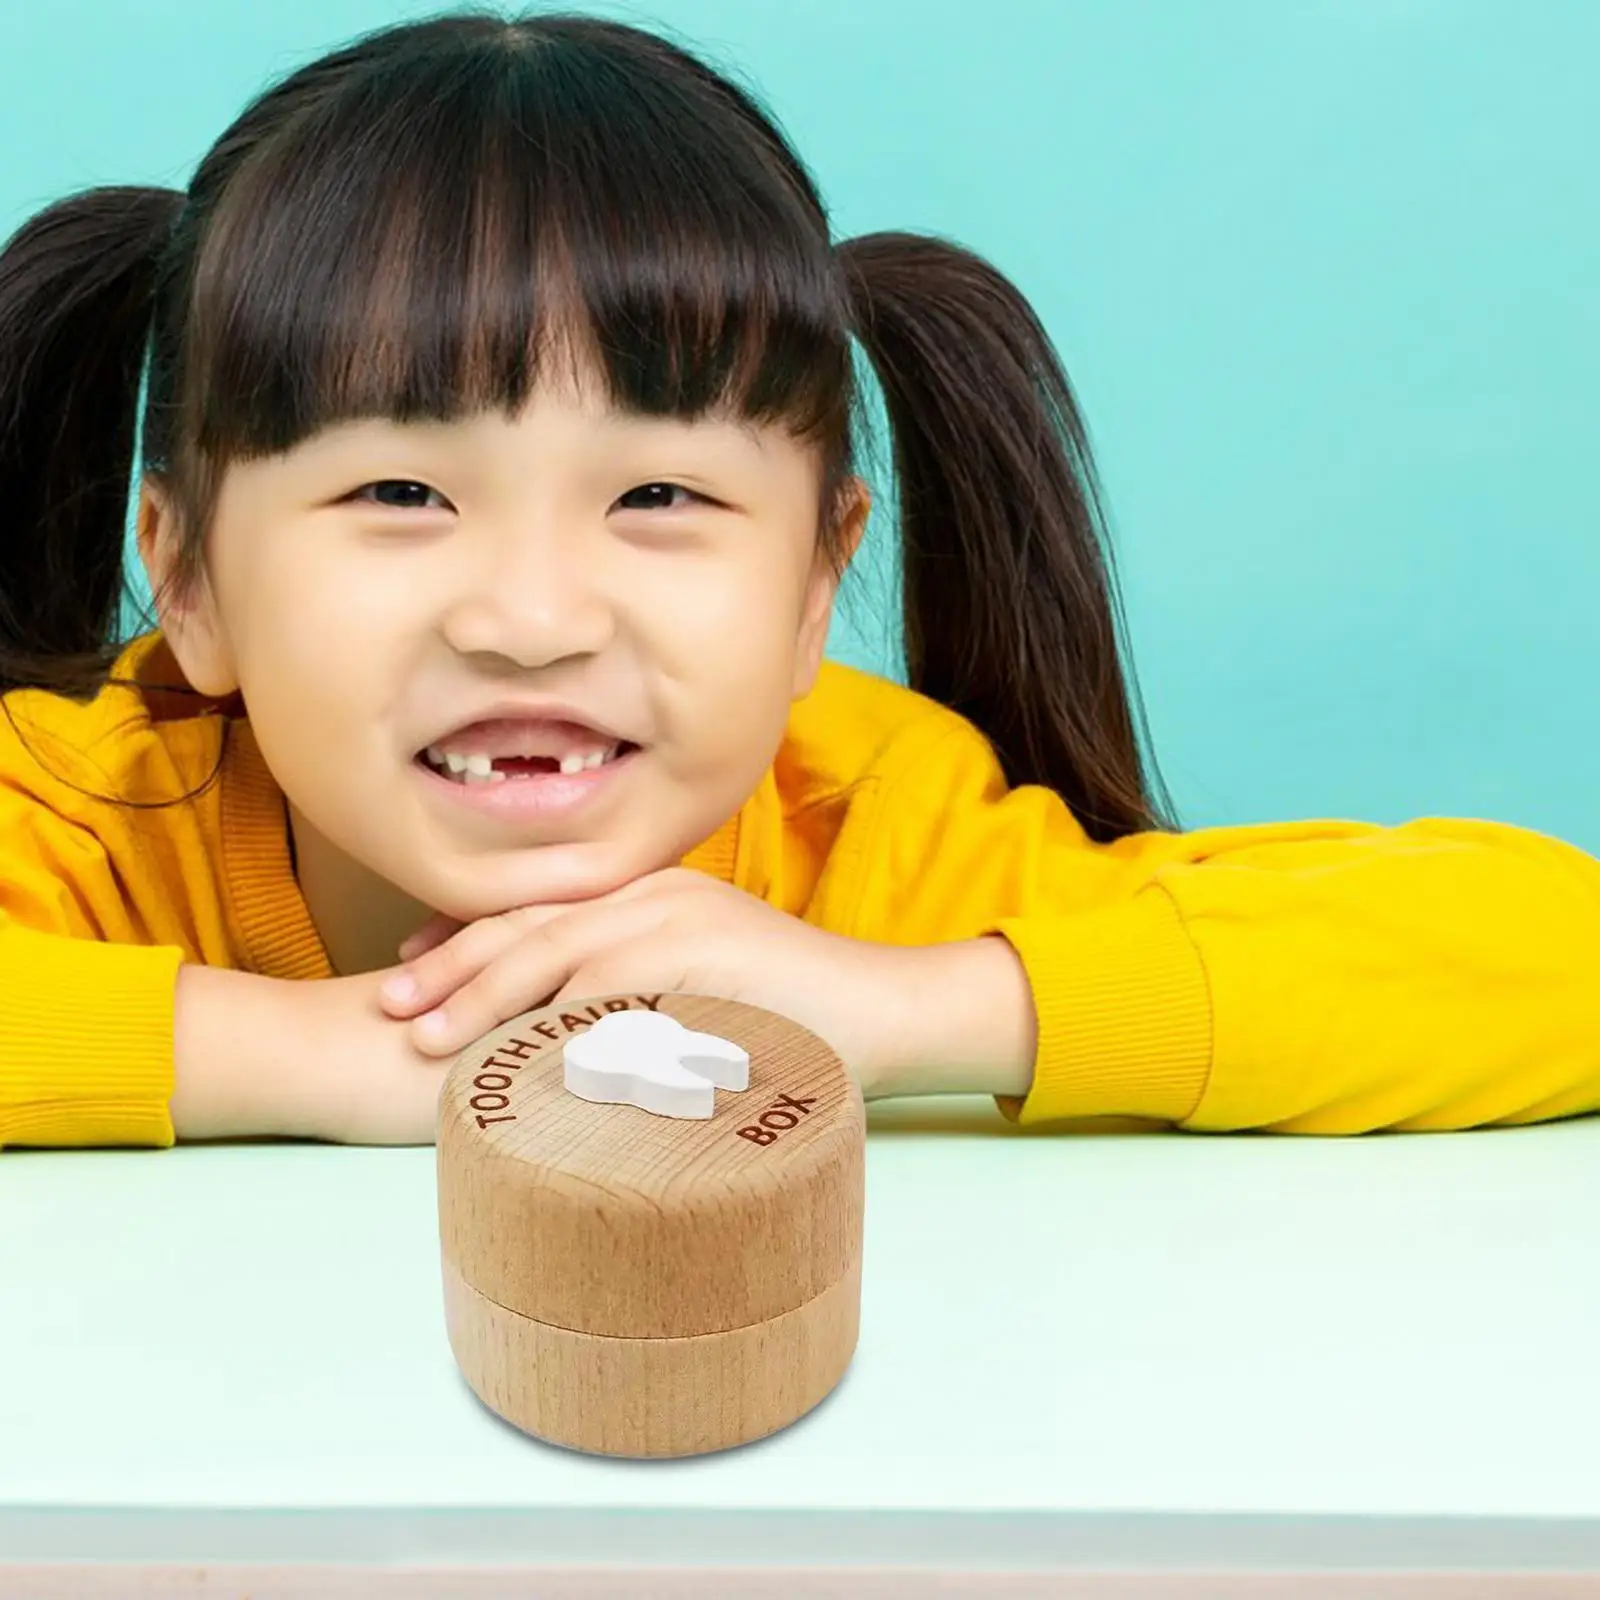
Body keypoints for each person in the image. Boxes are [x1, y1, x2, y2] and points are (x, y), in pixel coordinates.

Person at [1, 10, 1595, 1152]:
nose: (534, 620)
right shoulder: (90, 825)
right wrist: (302, 1056)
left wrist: (912, 1013)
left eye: (660, 495)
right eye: (403, 491)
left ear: (818, 577)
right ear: (189, 580)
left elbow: (1558, 955)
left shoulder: (872, 834)